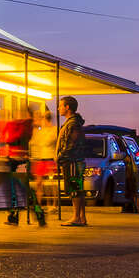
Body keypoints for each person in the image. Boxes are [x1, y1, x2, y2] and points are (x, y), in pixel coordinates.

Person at [0, 104, 45, 227]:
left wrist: (9, 128)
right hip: (20, 158)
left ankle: (15, 215)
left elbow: (11, 139)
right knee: (23, 190)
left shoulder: (22, 125)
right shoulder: (27, 125)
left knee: (14, 190)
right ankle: (37, 214)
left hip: (16, 159)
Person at [55, 96, 88, 226]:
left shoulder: (73, 124)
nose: (58, 108)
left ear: (67, 107)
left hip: (72, 160)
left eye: (60, 105)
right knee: (78, 188)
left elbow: (71, 143)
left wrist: (61, 156)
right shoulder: (73, 122)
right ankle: (81, 217)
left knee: (74, 188)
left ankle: (76, 217)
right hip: (73, 160)